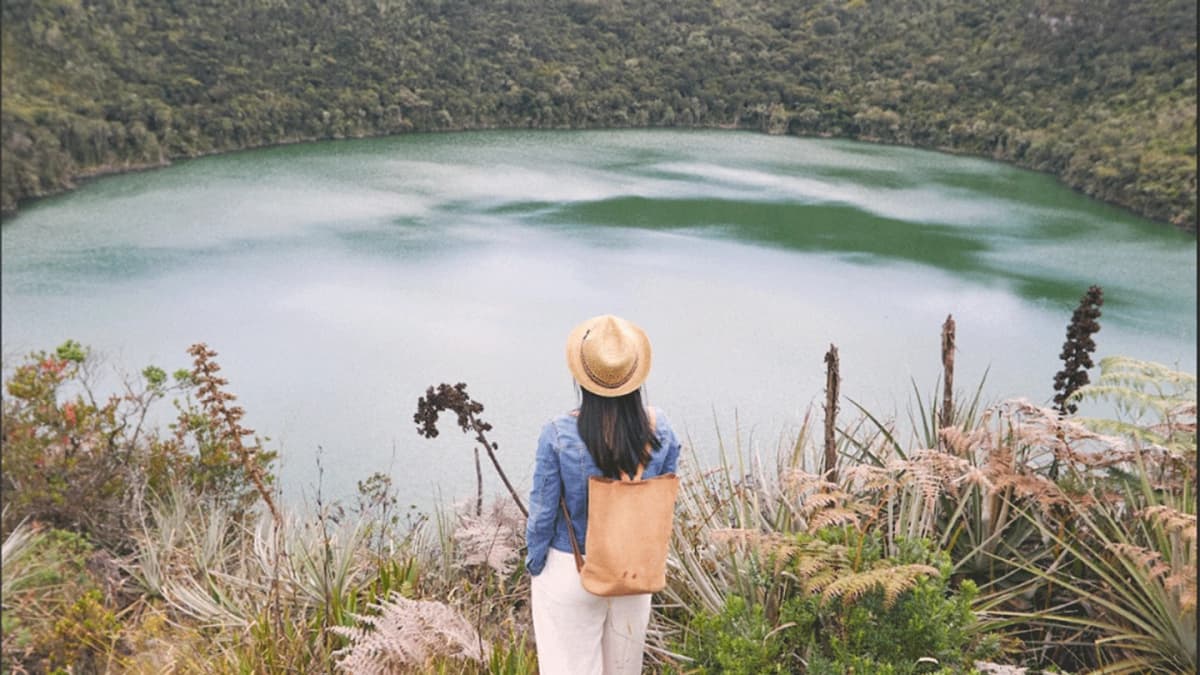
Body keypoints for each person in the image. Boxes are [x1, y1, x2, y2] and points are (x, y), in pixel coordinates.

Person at [525, 314, 682, 675]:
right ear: (635, 376)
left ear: (581, 376)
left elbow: (543, 515)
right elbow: (664, 494)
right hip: (633, 571)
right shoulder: (661, 427)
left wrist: (536, 567)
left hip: (572, 567)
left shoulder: (558, 433)